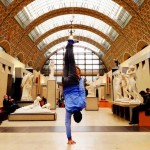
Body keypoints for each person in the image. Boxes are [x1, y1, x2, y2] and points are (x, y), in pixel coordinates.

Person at [62, 39, 86, 145]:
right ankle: (68, 46)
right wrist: (69, 139)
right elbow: (67, 124)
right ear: (74, 115)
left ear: (80, 113)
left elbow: (81, 91)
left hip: (72, 82)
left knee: (71, 62)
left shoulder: (82, 105)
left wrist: (80, 80)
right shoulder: (68, 109)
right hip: (65, 84)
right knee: (66, 64)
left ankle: (70, 45)